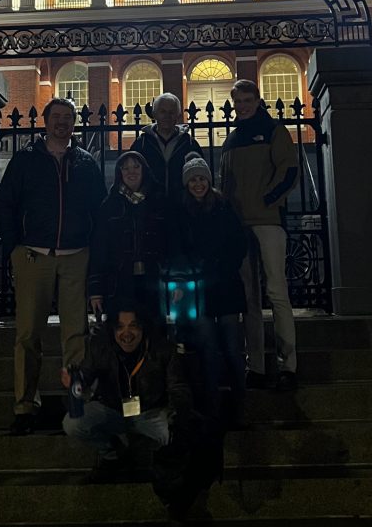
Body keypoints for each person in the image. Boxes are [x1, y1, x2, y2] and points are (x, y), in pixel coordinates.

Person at [0, 97, 107, 435]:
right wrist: (14, 248)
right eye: (57, 116)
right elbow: (6, 202)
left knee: (76, 334)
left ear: (74, 122)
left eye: (68, 117)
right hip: (34, 254)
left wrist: (94, 249)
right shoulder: (26, 159)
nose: (62, 122)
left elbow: (99, 210)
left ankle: (76, 404)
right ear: (46, 121)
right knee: (28, 334)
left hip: (76, 254)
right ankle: (24, 406)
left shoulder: (86, 162)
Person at [220, 79, 299, 391]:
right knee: (249, 299)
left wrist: (268, 200)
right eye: (238, 101)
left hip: (267, 221)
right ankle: (257, 367)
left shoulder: (274, 131)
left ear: (257, 100)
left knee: (277, 293)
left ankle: (288, 365)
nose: (242, 106)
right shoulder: (231, 139)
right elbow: (226, 183)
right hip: (240, 226)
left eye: (247, 100)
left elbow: (289, 170)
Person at [62, 305, 192, 477]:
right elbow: (86, 373)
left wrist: (176, 417)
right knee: (72, 423)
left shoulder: (163, 348)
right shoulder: (101, 347)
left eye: (133, 326)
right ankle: (112, 454)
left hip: (151, 412)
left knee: (179, 432)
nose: (126, 333)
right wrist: (74, 379)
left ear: (143, 327)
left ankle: (164, 463)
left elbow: (178, 387)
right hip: (112, 409)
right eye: (120, 327)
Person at [174, 153, 248, 425]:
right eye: (193, 180)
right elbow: (178, 249)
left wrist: (220, 265)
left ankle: (240, 405)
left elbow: (238, 243)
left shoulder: (224, 207)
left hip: (224, 286)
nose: (198, 184)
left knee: (232, 349)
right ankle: (213, 407)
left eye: (201, 179)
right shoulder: (181, 212)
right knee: (208, 348)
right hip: (201, 289)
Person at [88, 152, 168, 322]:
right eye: (125, 168)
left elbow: (171, 242)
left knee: (153, 327)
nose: (131, 172)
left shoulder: (160, 201)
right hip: (119, 281)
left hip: (154, 280)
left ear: (144, 169)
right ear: (119, 172)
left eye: (136, 167)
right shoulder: (109, 205)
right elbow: (99, 249)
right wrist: (96, 290)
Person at [133, 92, 203, 203]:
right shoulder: (142, 143)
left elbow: (201, 175)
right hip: (150, 206)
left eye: (172, 112)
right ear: (154, 114)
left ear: (178, 115)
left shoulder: (189, 143)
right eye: (163, 112)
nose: (167, 116)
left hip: (182, 206)